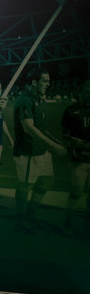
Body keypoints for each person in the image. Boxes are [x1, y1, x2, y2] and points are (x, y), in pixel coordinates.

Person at [12, 68, 66, 224]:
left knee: (47, 181)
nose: (48, 84)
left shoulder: (37, 99)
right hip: (28, 152)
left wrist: (54, 141)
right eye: (45, 81)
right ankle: (21, 220)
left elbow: (41, 128)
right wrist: (53, 146)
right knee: (25, 186)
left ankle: (30, 214)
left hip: (41, 150)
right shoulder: (25, 100)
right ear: (34, 82)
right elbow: (28, 127)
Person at [61, 78, 90, 227]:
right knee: (77, 192)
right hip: (79, 158)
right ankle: (69, 221)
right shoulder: (71, 110)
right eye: (86, 89)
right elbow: (64, 134)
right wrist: (73, 140)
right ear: (81, 92)